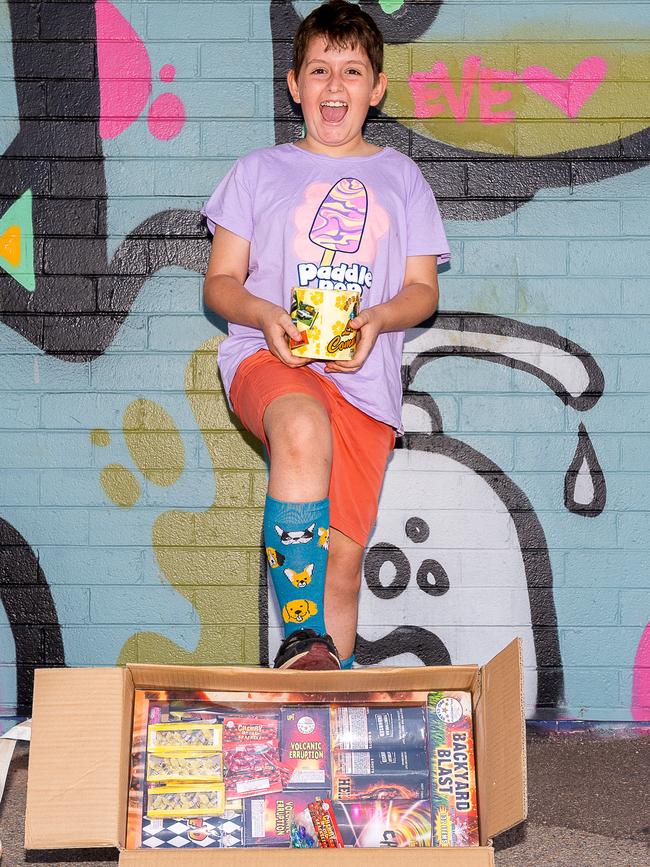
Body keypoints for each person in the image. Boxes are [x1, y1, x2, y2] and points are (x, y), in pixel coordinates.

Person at [202, 0, 450, 670]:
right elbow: (220, 282)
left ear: (377, 88)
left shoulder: (403, 179)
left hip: (365, 387)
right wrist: (262, 315)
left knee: (341, 564)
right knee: (302, 427)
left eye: (351, 70)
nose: (334, 85)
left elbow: (423, 289)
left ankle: (322, 717)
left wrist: (380, 319)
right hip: (270, 359)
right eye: (318, 70)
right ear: (294, 84)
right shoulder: (257, 172)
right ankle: (301, 636)